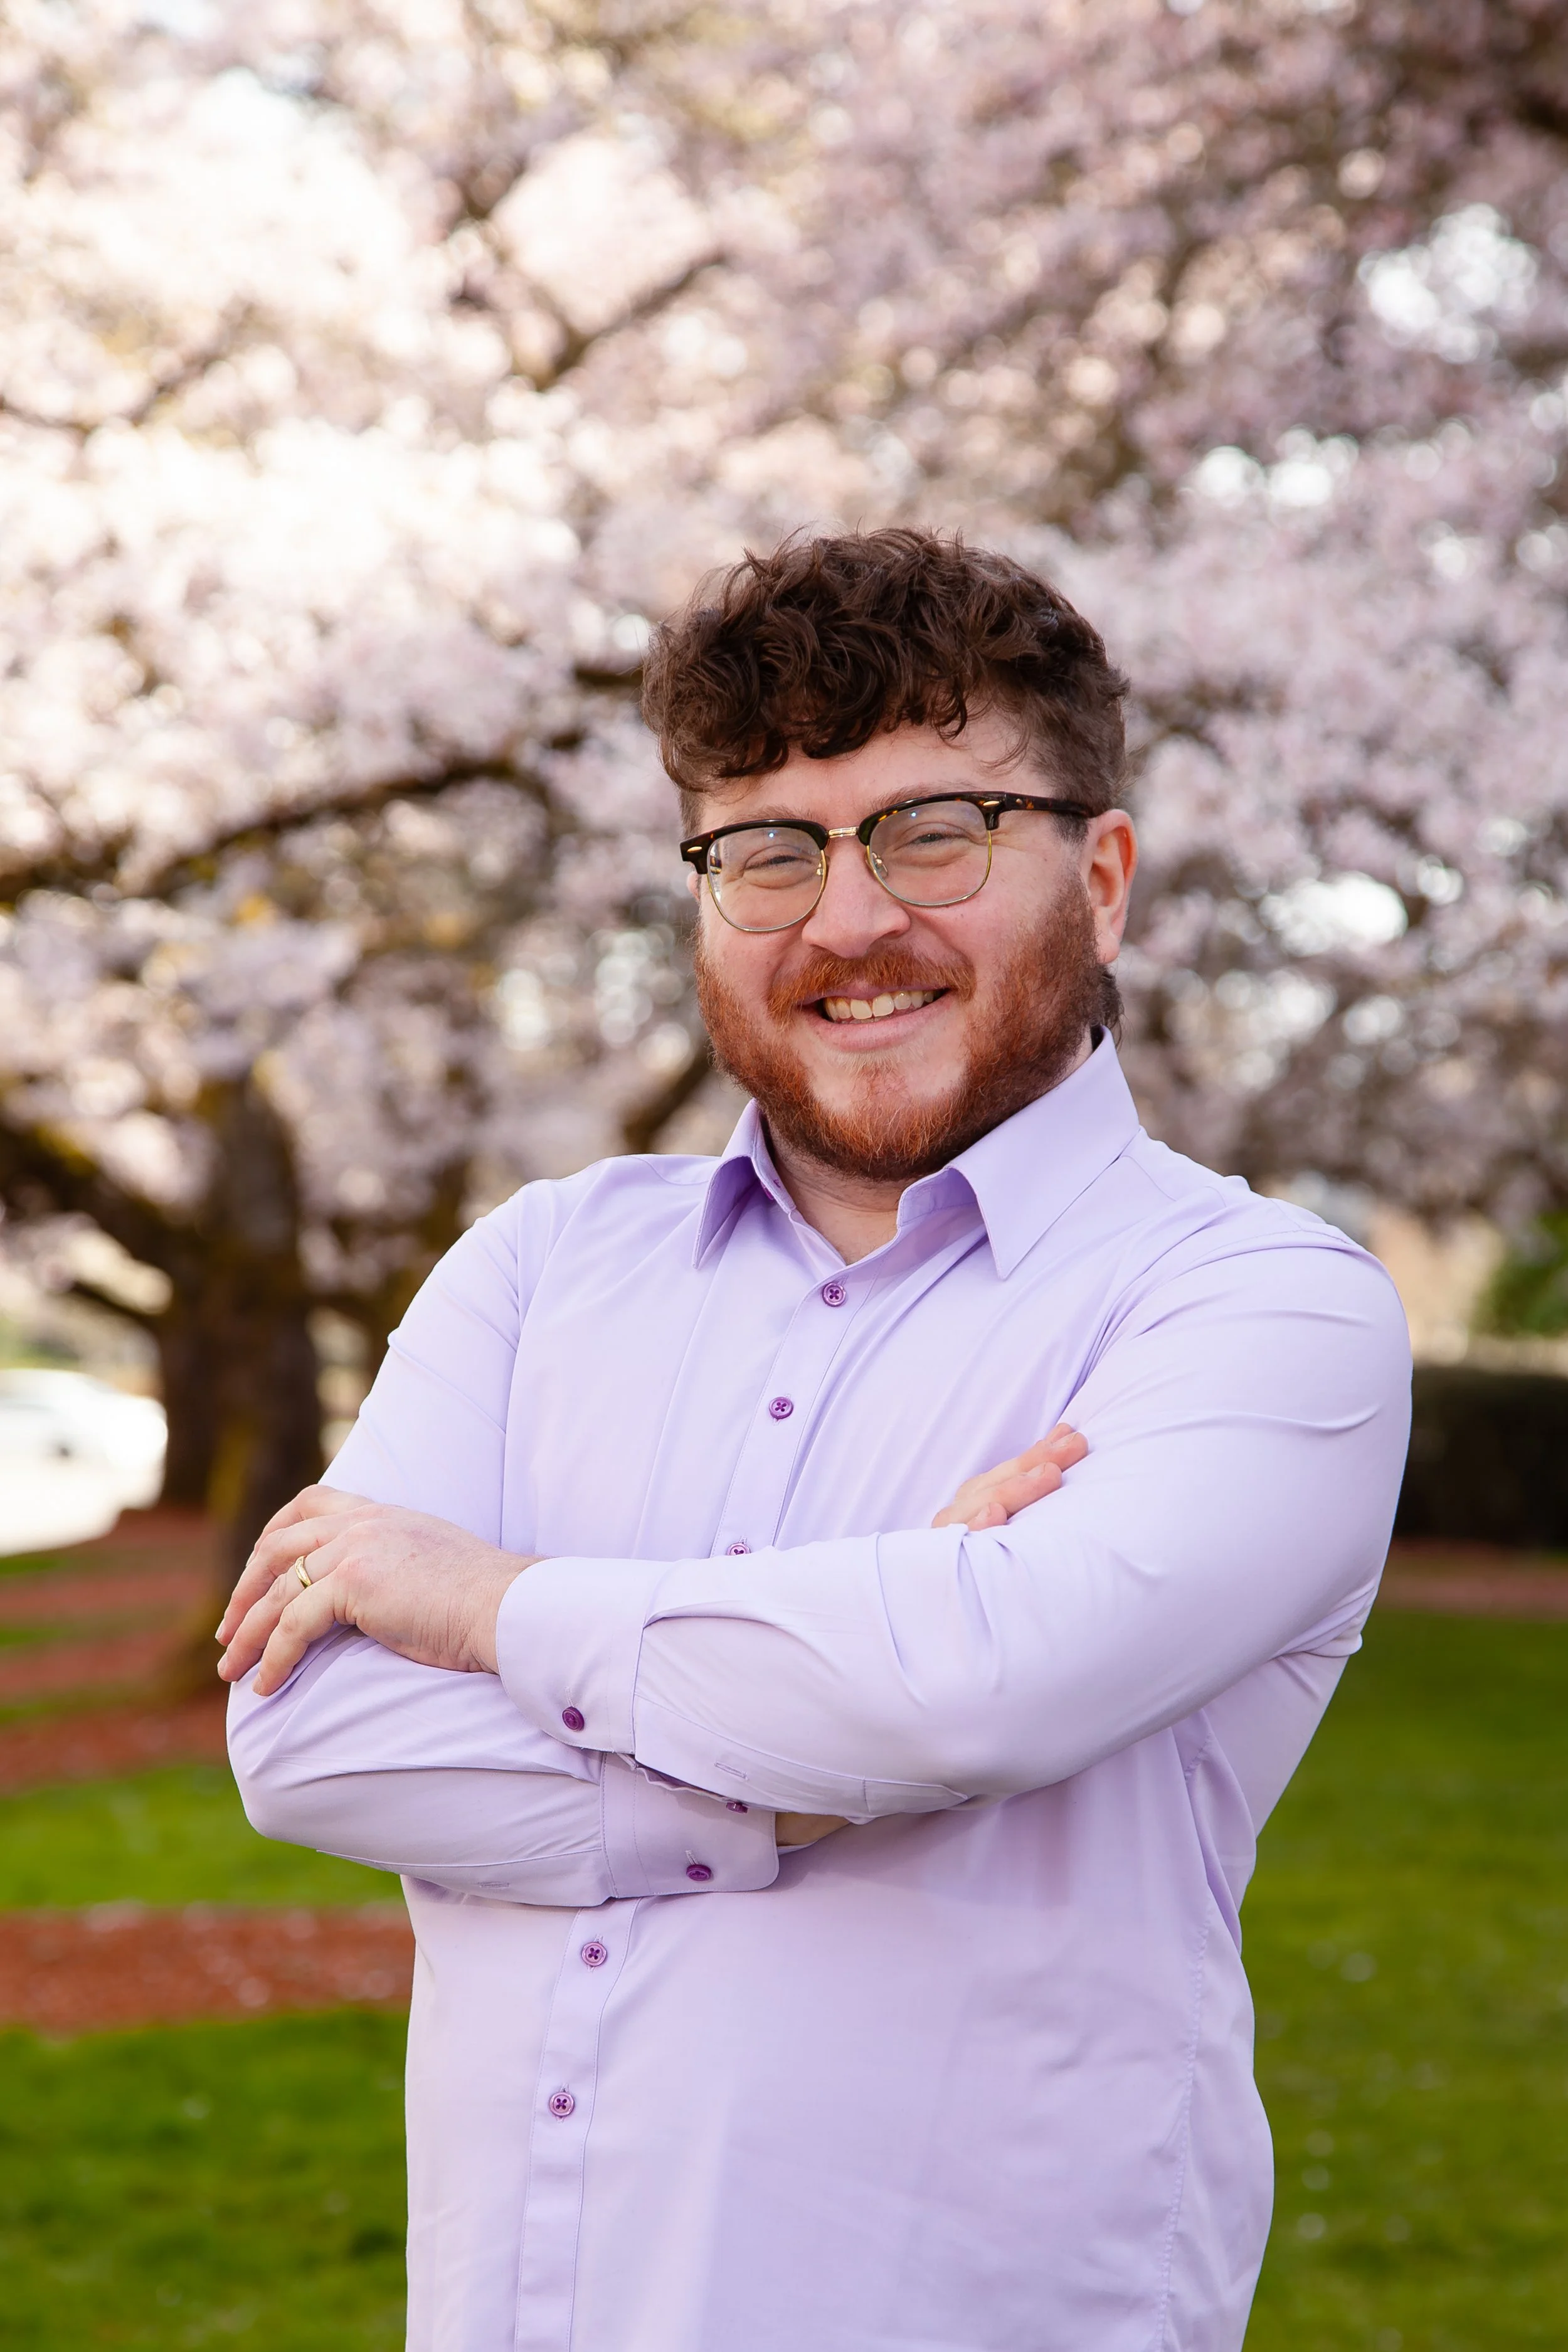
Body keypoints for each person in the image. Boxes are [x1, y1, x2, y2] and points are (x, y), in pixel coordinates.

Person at [220, 529, 1411, 2352]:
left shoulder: (1259, 1306)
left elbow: (960, 1693)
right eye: (767, 851)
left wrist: (488, 1603)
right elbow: (311, 1735)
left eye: (932, 831)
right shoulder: (537, 1269)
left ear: (1100, 874)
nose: (847, 922)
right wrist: (830, 1711)